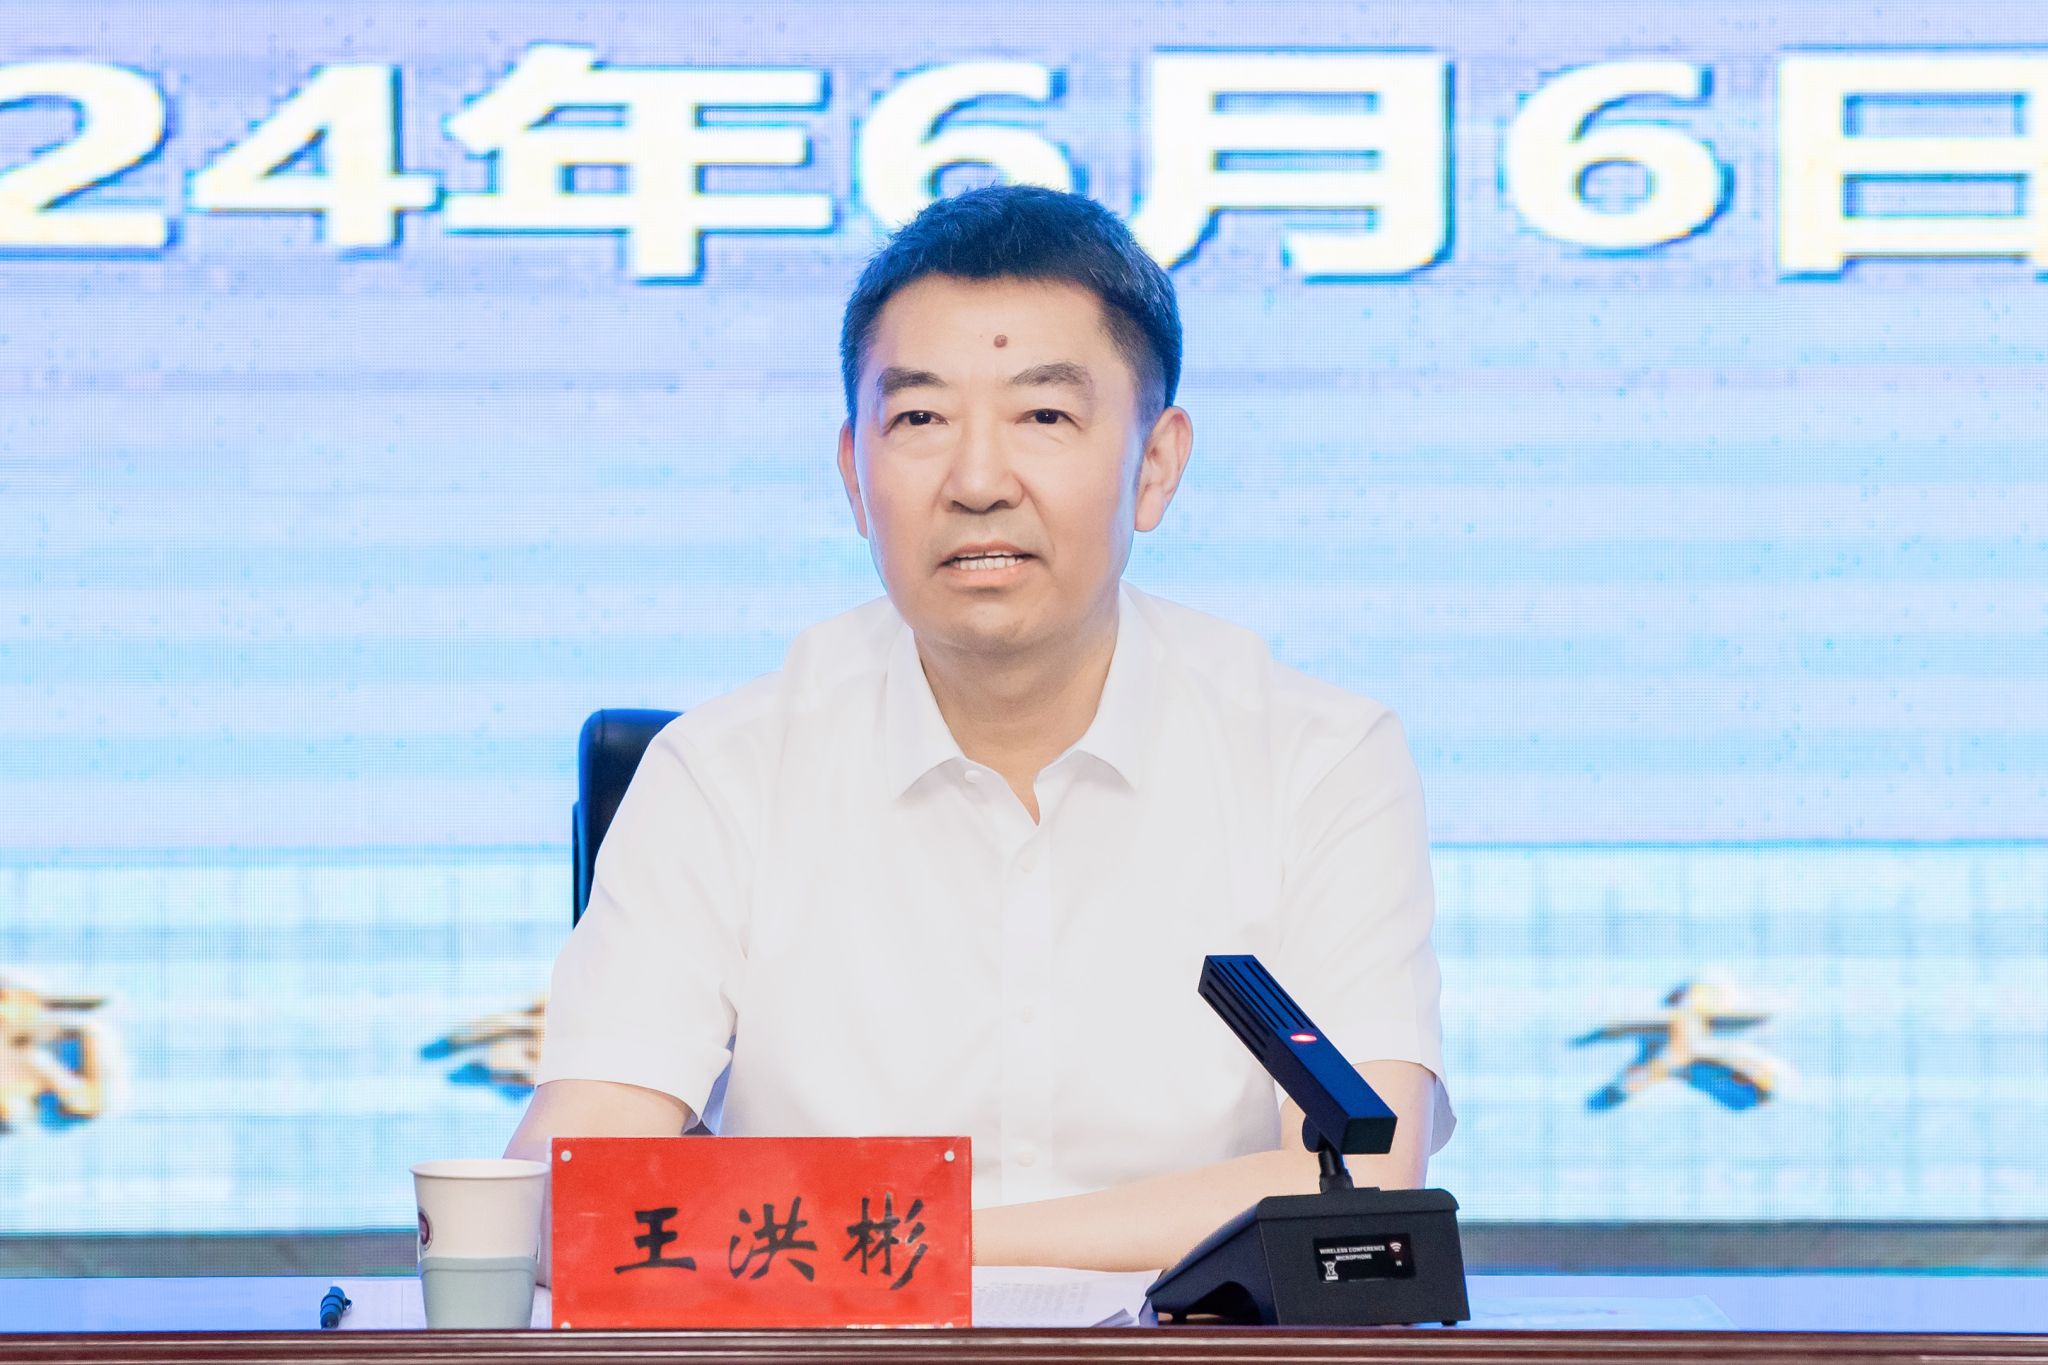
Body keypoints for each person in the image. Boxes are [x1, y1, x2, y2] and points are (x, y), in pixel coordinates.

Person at [509, 184, 1451, 1276]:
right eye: (919, 420)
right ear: (853, 473)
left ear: (1154, 465)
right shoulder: (722, 774)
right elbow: (563, 1201)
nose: (976, 481)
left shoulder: (1317, 761)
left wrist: (909, 1247)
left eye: (1043, 416)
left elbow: (1363, 1189)